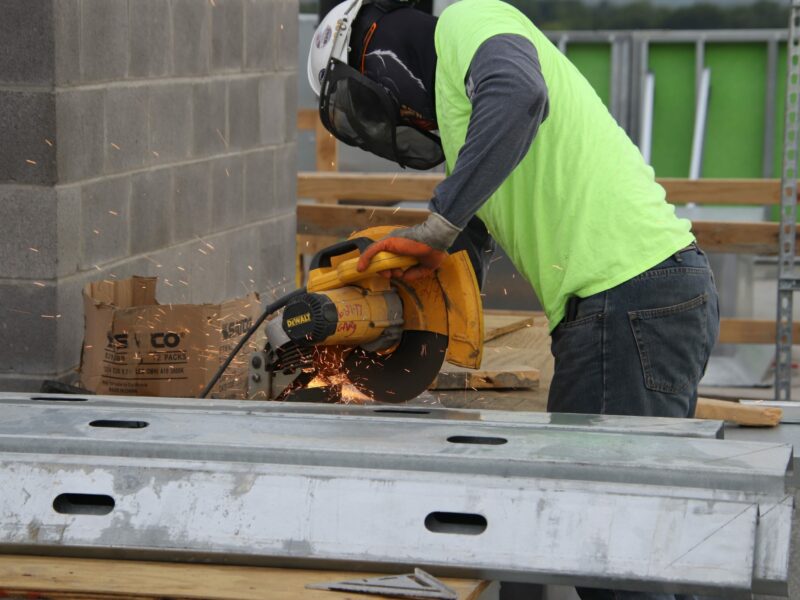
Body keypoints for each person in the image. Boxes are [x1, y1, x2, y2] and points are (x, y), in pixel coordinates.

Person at [308, 2, 719, 597]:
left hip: (626, 302)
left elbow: (520, 94)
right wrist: (406, 287)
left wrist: (437, 225)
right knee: (638, 542)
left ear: (371, 53)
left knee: (609, 561)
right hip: (643, 302)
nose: (396, 113)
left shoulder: (470, 21)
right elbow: (469, 232)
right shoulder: (466, 116)